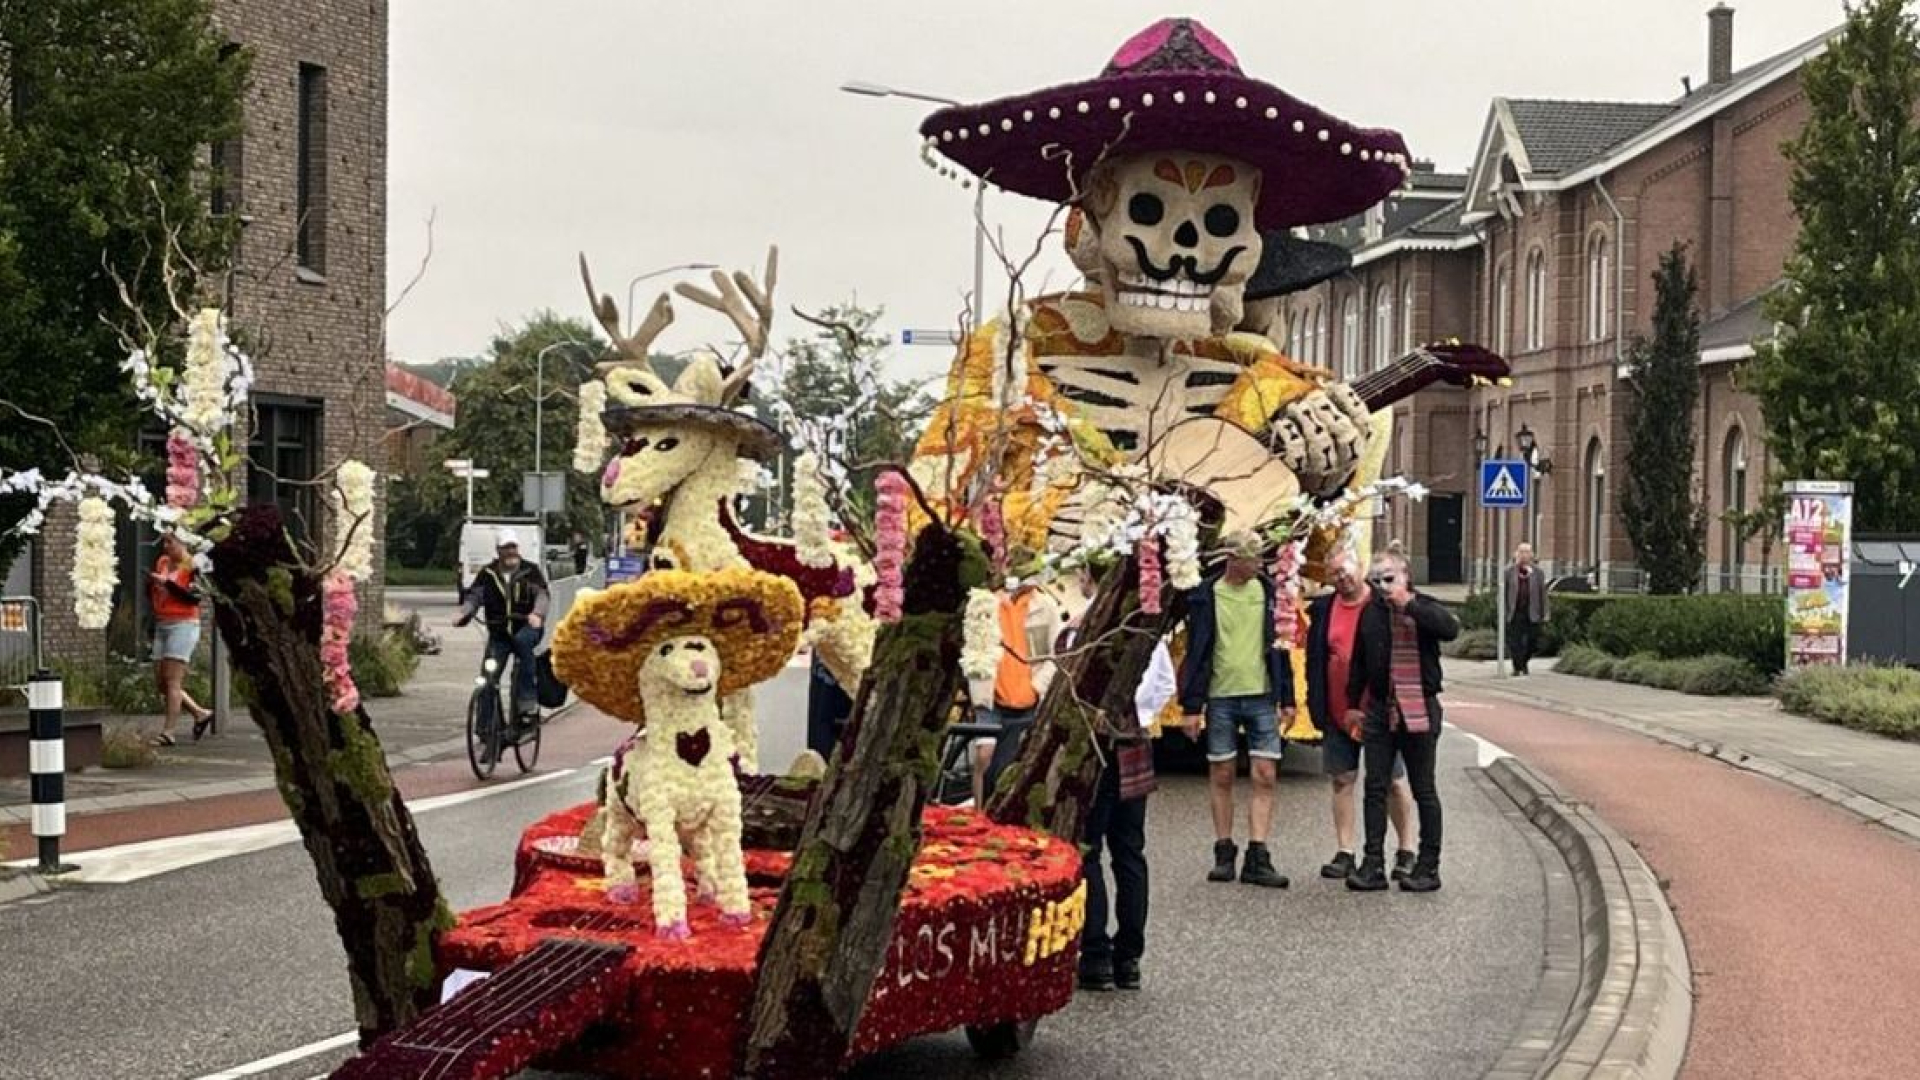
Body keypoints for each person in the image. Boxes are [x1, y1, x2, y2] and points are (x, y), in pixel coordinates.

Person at [1178, 531, 1295, 889]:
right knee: (1222, 774)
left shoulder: (1271, 593)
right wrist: (1191, 705)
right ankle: (1224, 850)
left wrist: (1287, 697)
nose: (1260, 564)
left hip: (1261, 694)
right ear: (1233, 559)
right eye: (1253, 558)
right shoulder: (1205, 595)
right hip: (1221, 696)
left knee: (1264, 774)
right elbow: (1197, 651)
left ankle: (1258, 854)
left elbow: (1282, 645)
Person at [1344, 549, 1460, 893]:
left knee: (1424, 788)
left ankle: (1427, 866)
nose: (1383, 587)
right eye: (1376, 581)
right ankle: (1373, 864)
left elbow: (1449, 629)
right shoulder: (1371, 613)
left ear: (1405, 575)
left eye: (1389, 579)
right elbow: (1360, 661)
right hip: (1381, 708)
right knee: (1375, 786)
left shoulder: (1424, 605)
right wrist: (1353, 703)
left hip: (1419, 706)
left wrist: (1408, 604)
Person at [1305, 549, 1418, 882]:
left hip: (1381, 710)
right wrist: (1316, 703)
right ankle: (1345, 851)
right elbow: (1316, 657)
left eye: (1346, 570)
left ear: (1360, 568)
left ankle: (1406, 848)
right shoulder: (1325, 609)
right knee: (1342, 779)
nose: (1341, 577)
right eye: (1334, 573)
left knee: (1393, 782)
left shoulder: (1381, 603)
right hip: (1339, 710)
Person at [1079, 636, 1169, 992]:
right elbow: (1164, 683)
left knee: (1090, 850)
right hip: (1134, 742)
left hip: (1098, 748)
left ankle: (1096, 955)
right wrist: (1143, 715)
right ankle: (1128, 958)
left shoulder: (1089, 630)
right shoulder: (1150, 637)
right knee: (1129, 851)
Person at [969, 554, 1060, 806]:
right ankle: (979, 811)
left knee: (1012, 761)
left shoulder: (1045, 606)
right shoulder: (985, 605)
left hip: (1027, 696)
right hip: (992, 695)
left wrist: (1037, 685)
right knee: (984, 756)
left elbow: (1057, 652)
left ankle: (1001, 809)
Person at [453, 529, 550, 729]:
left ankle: (527, 704)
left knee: (523, 644)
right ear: (498, 551)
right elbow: (475, 597)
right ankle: (486, 727)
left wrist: (537, 614)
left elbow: (542, 595)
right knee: (488, 677)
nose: (510, 552)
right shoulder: (487, 574)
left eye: (513, 547)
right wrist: (464, 612)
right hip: (499, 632)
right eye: (506, 548)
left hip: (526, 627)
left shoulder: (530, 571)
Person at [148, 533, 212, 746]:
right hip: (162, 622)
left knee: (172, 680)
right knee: (160, 682)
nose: (166, 547)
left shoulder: (194, 564)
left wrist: (168, 585)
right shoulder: (163, 562)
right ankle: (200, 713)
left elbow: (194, 598)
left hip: (183, 624)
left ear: (183, 542)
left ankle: (169, 732)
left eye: (170, 542)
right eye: (164, 541)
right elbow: (153, 589)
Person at [1505, 542, 1549, 675]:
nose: (1524, 555)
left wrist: (1545, 613)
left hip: (1532, 611)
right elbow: (1504, 593)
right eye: (1521, 552)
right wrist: (1504, 611)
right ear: (1516, 554)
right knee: (1515, 642)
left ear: (1531, 555)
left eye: (1527, 552)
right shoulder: (1508, 572)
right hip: (1515, 611)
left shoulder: (1538, 573)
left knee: (1533, 641)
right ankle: (1517, 667)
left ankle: (1523, 662)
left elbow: (1543, 594)